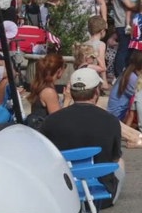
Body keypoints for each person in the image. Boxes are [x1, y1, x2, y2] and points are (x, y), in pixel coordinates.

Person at [41, 68, 125, 205]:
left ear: (72, 92)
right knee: (120, 161)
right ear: (96, 91)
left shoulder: (51, 121)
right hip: (100, 195)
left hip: (64, 195)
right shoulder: (110, 121)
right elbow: (114, 158)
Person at [108, 0, 137, 81]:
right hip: (123, 23)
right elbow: (129, 4)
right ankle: (118, 74)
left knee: (128, 49)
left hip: (127, 22)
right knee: (124, 49)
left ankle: (124, 73)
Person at [25, 53, 65, 129]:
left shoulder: (40, 85)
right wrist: (67, 100)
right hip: (44, 133)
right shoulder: (49, 92)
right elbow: (58, 120)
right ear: (59, 71)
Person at [108, 49, 142, 124]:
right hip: (119, 114)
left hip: (114, 112)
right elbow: (140, 97)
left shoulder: (127, 73)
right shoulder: (132, 77)